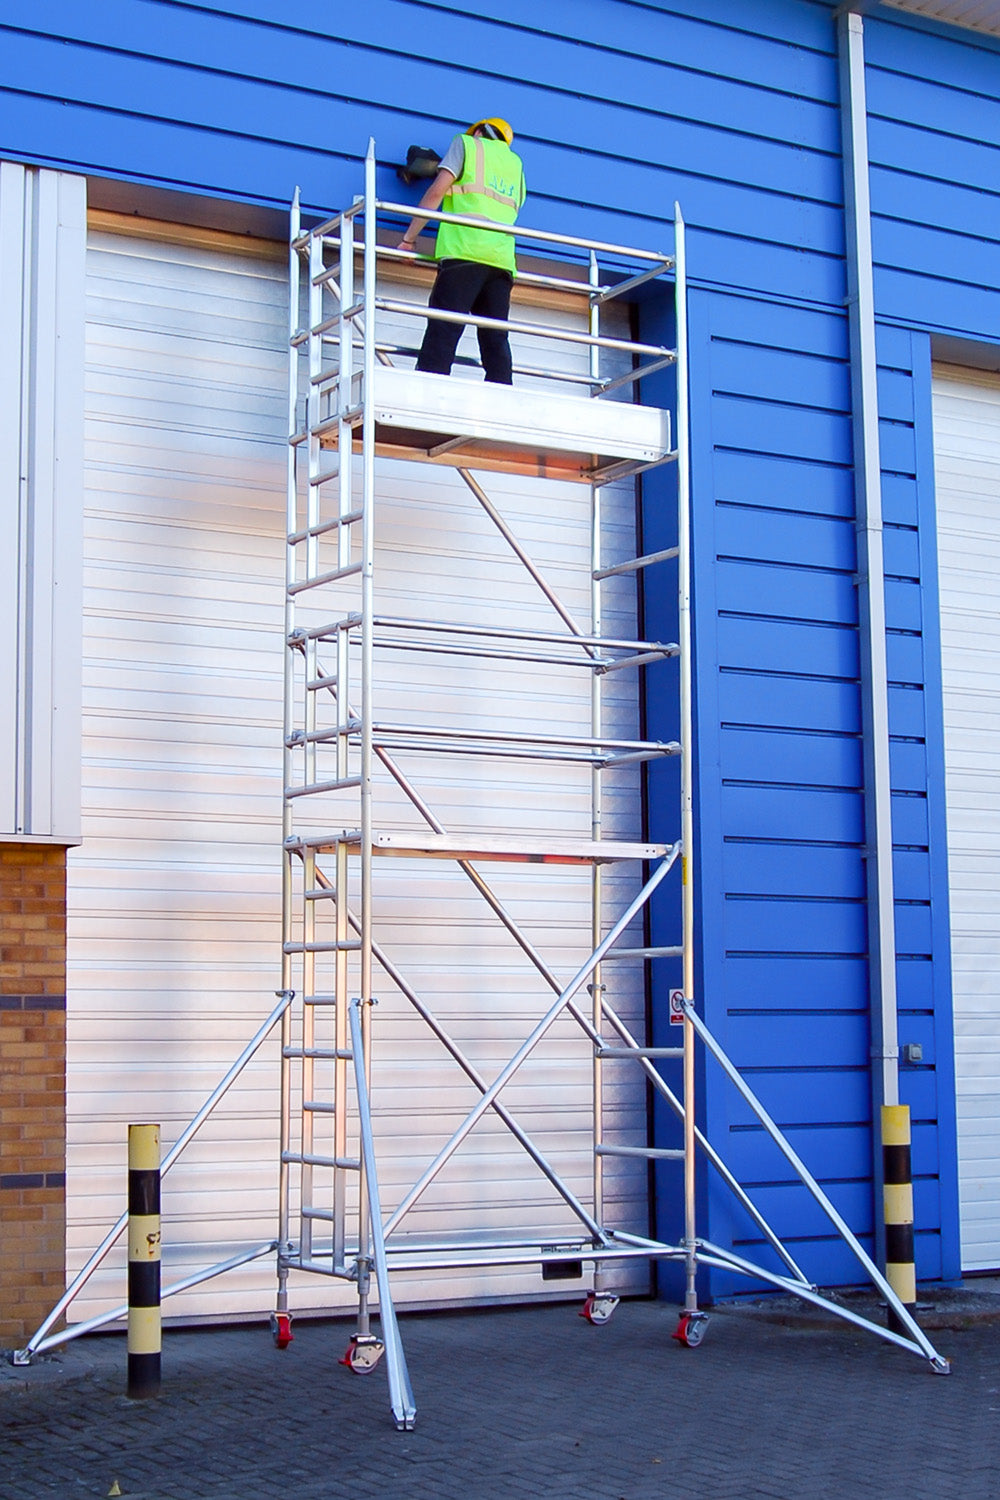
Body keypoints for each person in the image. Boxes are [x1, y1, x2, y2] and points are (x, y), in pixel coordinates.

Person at [398, 118, 526, 384]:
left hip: (465, 251)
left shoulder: (466, 143)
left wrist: (409, 239)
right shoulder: (516, 165)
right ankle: (502, 394)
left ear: (479, 132)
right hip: (501, 260)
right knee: (495, 335)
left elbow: (436, 192)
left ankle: (429, 388)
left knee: (444, 326)